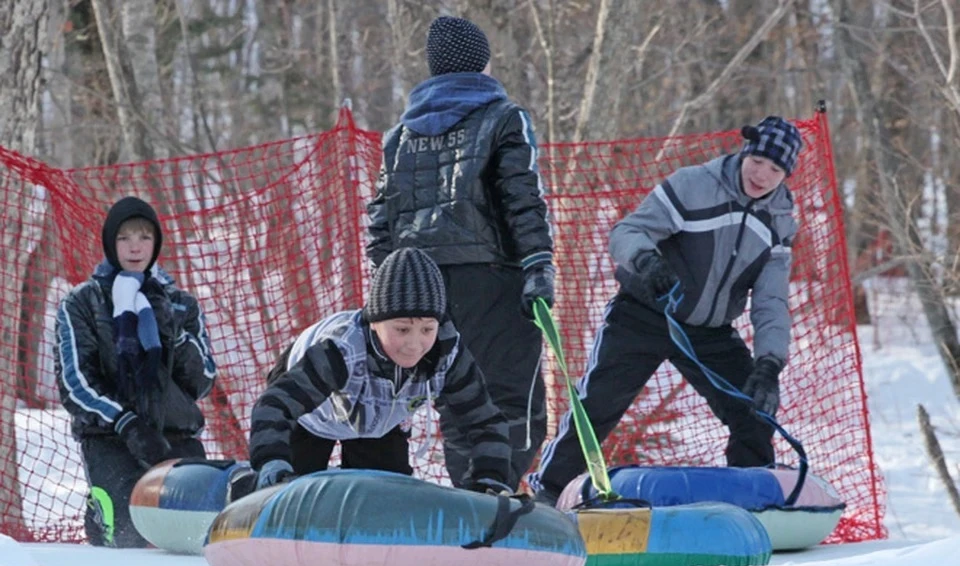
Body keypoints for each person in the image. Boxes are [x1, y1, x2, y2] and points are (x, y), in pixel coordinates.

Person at [529, 116, 803, 505]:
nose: (762, 174)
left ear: (785, 175)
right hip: (645, 313)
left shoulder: (779, 220)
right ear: (745, 152)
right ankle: (550, 492)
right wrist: (646, 262)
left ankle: (750, 501)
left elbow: (770, 300)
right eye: (757, 161)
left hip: (709, 331)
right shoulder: (694, 184)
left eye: (775, 169)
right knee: (599, 405)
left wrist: (770, 364)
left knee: (753, 411)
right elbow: (627, 232)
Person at [366, 16, 554, 491]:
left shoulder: (400, 135)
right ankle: (495, 493)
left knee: (456, 396)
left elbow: (380, 221)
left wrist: (391, 285)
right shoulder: (503, 117)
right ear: (483, 63)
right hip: (492, 277)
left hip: (421, 286)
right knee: (515, 398)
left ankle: (471, 495)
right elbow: (521, 197)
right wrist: (537, 263)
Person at [249, 247, 512, 495]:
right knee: (288, 489)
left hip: (378, 421)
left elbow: (484, 420)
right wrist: (271, 461)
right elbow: (273, 406)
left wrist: (489, 477)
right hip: (310, 416)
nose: (414, 344)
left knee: (387, 497)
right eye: (402, 329)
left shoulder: (446, 354)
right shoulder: (341, 351)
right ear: (375, 323)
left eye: (427, 329)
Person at [55, 196, 218, 547]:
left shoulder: (181, 304)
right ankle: (101, 510)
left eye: (144, 237)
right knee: (128, 539)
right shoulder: (82, 302)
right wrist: (126, 422)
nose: (135, 247)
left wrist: (171, 332)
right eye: (125, 237)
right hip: (111, 438)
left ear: (156, 243)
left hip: (175, 437)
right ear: (110, 243)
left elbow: (202, 381)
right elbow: (75, 384)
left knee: (196, 540)